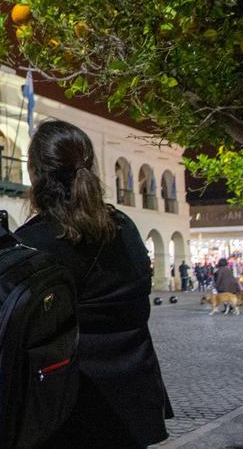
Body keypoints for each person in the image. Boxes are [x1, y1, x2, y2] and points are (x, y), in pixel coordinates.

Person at [15, 120, 171, 448]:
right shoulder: (125, 228)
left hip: (68, 407)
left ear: (35, 174)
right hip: (132, 401)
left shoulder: (31, 244)